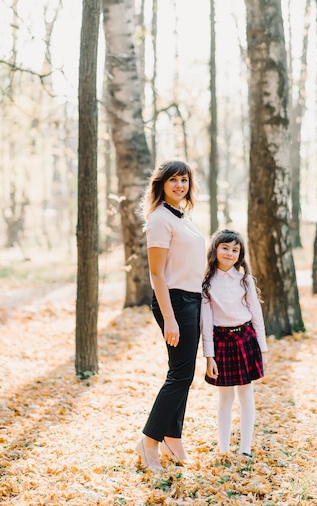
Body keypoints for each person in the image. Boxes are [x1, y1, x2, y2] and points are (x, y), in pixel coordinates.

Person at [136, 159, 206, 471]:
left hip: (191, 300)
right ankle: (149, 441)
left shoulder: (183, 216)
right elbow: (156, 274)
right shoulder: (160, 219)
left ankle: (172, 438)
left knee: (184, 374)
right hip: (174, 302)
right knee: (179, 375)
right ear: (162, 184)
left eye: (184, 180)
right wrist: (171, 318)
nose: (180, 185)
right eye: (173, 180)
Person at [200, 228, 268, 457]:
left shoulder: (245, 280)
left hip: (246, 339)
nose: (229, 253)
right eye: (225, 248)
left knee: (246, 395)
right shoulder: (207, 283)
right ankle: (224, 449)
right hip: (222, 343)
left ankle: (245, 449)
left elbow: (256, 315)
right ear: (215, 249)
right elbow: (206, 323)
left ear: (240, 254)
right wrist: (209, 356)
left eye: (235, 250)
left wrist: (263, 349)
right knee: (225, 398)